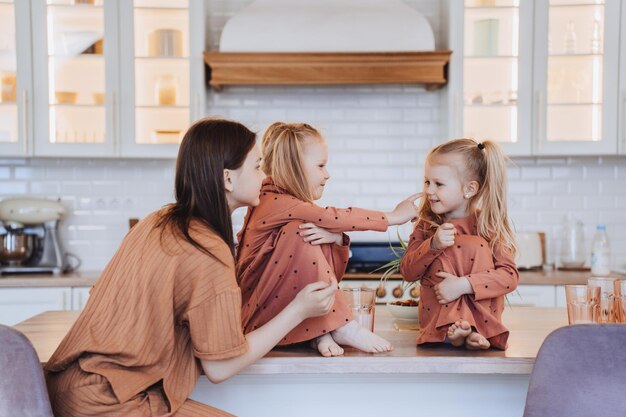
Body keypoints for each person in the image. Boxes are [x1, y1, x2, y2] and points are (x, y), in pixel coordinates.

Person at [44, 119, 338, 416]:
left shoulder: (157, 221)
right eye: (257, 167)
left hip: (70, 389)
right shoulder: (207, 250)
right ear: (228, 179)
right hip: (108, 401)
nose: (263, 178)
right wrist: (299, 310)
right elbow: (221, 366)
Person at [236, 122, 420, 357]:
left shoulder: (285, 203)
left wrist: (334, 238)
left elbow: (320, 236)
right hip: (257, 315)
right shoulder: (274, 201)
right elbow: (331, 216)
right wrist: (393, 217)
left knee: (311, 231)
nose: (327, 174)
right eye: (321, 166)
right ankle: (343, 325)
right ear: (295, 168)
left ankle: (319, 332)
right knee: (301, 231)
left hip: (275, 309)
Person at [399, 138, 518, 350]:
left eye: (439, 184)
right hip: (437, 326)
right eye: (427, 182)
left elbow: (509, 277)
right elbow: (408, 271)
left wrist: (463, 285)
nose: (429, 190)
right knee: (445, 247)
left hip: (484, 323)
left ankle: (472, 330)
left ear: (469, 189)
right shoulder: (426, 226)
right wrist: (432, 245)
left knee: (476, 245)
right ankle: (459, 330)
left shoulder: (487, 226)